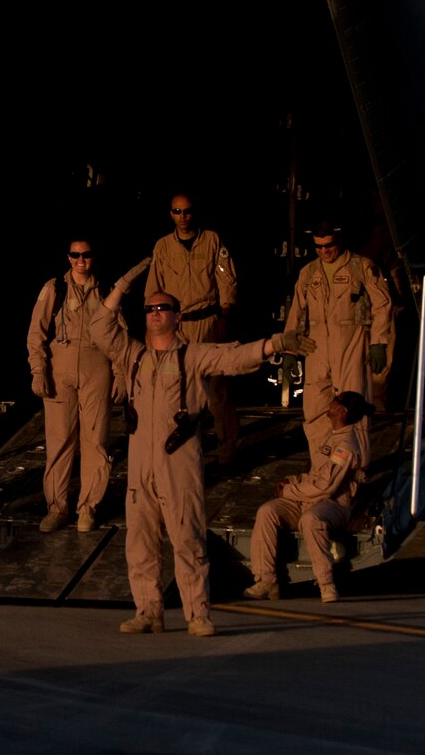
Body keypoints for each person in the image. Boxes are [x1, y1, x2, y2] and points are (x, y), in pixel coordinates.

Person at [89, 278, 313, 636]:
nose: (155, 314)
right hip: (141, 463)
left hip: (178, 461)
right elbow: (99, 327)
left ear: (178, 318)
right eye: (150, 309)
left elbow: (234, 357)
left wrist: (274, 344)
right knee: (140, 542)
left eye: (163, 308)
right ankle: (148, 611)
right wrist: (121, 287)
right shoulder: (134, 355)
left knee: (188, 538)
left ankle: (197, 614)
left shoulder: (192, 356)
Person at [26, 239, 119, 533]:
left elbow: (120, 336)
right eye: (76, 255)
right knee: (59, 442)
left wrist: (122, 375)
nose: (81, 259)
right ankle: (57, 508)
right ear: (68, 257)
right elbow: (35, 333)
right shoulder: (55, 289)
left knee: (95, 441)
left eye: (86, 254)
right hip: (60, 369)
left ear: (93, 257)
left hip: (96, 367)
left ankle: (87, 509)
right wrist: (39, 371)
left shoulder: (106, 291)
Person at [244, 390, 372, 603]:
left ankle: (326, 583)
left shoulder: (346, 446)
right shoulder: (333, 436)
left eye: (336, 400)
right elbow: (317, 475)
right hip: (309, 498)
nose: (331, 402)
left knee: (311, 520)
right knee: (267, 511)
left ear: (341, 410)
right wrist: (293, 481)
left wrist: (289, 491)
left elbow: (326, 486)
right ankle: (266, 580)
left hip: (333, 504)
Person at [282, 219, 392, 459]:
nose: (324, 251)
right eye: (318, 247)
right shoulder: (309, 273)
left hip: (350, 344)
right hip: (317, 348)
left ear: (339, 240)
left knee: (353, 409)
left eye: (329, 245)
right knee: (315, 410)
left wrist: (378, 342)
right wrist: (290, 352)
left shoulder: (361, 267)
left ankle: (355, 467)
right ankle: (322, 468)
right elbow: (297, 312)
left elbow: (382, 305)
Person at [146, 193, 241, 464]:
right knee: (176, 386)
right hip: (176, 324)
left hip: (207, 320)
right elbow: (154, 288)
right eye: (177, 212)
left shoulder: (211, 240)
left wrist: (225, 315)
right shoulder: (163, 247)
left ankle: (228, 445)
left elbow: (226, 279)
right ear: (171, 214)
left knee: (216, 387)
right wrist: (154, 326)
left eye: (186, 211)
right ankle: (183, 443)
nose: (182, 217)